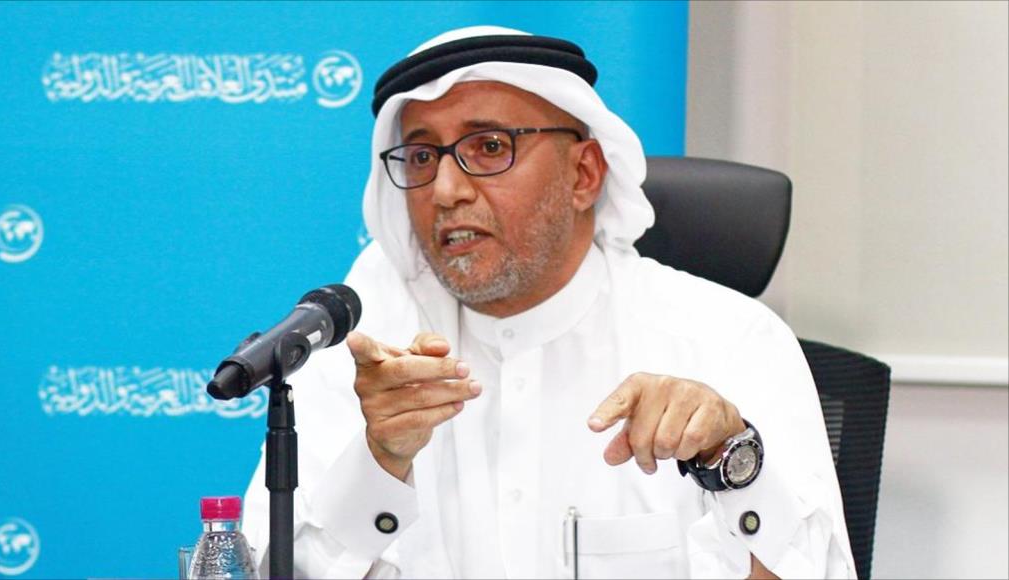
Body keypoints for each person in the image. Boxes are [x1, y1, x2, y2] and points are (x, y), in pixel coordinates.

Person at [242, 26, 856, 579]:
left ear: (583, 174)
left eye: (489, 147)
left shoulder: (730, 341)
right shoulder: (364, 352)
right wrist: (380, 459)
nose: (447, 190)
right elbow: (274, 568)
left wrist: (728, 459)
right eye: (423, 157)